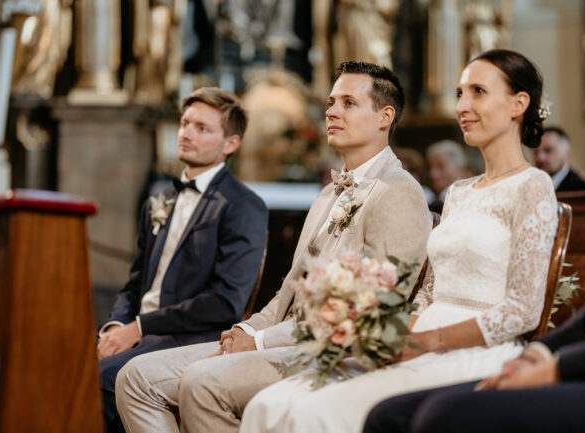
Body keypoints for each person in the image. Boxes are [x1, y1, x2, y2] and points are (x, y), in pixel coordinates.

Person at [239, 48, 559, 433]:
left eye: (478, 92)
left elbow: (523, 310)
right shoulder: (459, 192)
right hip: (419, 340)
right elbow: (428, 292)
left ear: (518, 104)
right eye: (459, 93)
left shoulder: (533, 185)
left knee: (315, 413)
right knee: (271, 404)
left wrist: (430, 341)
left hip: (476, 350)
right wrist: (388, 336)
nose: (462, 105)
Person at [115, 61, 432, 433]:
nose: (332, 112)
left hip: (330, 351)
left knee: (202, 383)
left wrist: (260, 340)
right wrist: (246, 330)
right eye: (331, 102)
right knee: (135, 378)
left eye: (348, 103)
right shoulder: (327, 194)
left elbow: (372, 310)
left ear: (384, 116)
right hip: (279, 338)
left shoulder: (399, 193)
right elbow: (288, 292)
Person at [363, 205, 585, 433]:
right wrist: (534, 356)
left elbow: (523, 310)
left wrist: (555, 368)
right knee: (388, 415)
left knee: (442, 415)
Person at [97, 87, 268, 433]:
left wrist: (140, 327)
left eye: (202, 128)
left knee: (103, 378)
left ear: (231, 143)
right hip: (138, 331)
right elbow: (134, 283)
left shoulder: (242, 206)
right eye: (185, 123)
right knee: (58, 362)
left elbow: (225, 302)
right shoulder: (158, 201)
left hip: (191, 337)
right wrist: (116, 326)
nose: (186, 133)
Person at [534, 126, 585, 191]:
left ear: (567, 154)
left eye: (548, 150)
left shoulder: (582, 189)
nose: (540, 158)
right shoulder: (531, 185)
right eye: (536, 152)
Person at [425, 140, 467, 213]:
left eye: (440, 166)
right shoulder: (429, 197)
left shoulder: (469, 197)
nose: (433, 174)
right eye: (429, 167)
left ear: (459, 167)